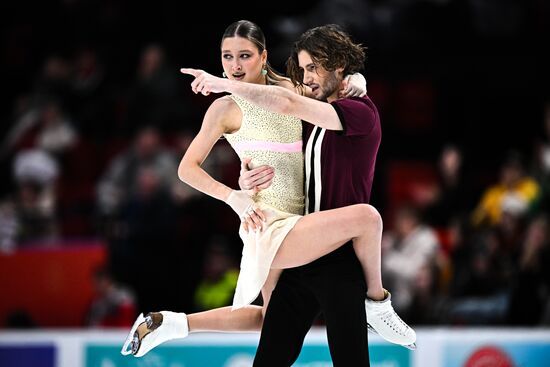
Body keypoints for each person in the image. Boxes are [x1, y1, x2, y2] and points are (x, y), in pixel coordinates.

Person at [121, 20, 415, 359]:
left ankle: (172, 324)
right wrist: (235, 194)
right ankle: (378, 305)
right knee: (365, 220)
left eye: (244, 56)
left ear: (263, 57)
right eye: (227, 57)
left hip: (303, 222)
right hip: (270, 220)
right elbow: (186, 169)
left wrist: (356, 80)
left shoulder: (290, 90)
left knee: (269, 318)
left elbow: (327, 92)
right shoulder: (224, 106)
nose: (234, 66)